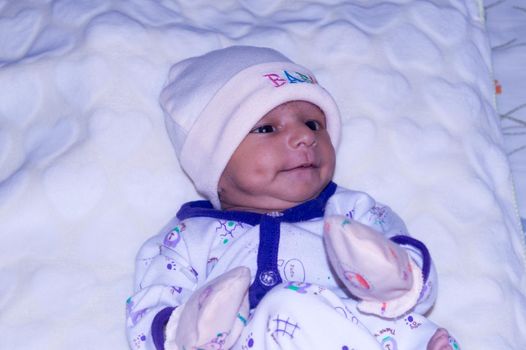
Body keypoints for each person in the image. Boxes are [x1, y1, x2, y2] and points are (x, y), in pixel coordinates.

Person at [126, 46, 459, 350]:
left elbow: (419, 287)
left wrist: (392, 277)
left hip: (364, 333)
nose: (304, 136)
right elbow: (147, 316)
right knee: (284, 305)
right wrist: (189, 327)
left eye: (314, 124)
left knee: (401, 324)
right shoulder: (186, 239)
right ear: (215, 162)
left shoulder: (350, 211)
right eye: (267, 128)